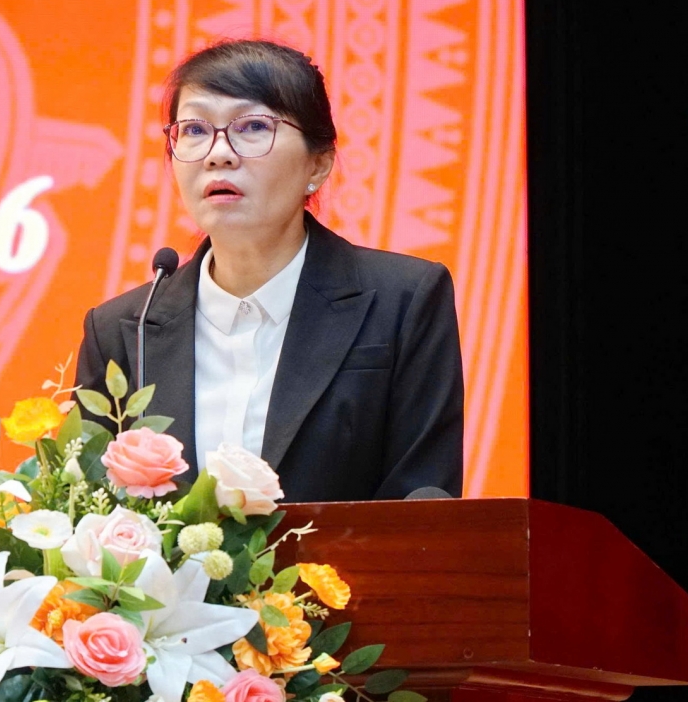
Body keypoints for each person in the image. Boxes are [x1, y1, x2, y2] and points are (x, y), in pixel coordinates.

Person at [75, 40, 463, 502]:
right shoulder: (125, 329)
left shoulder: (404, 301)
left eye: (253, 126)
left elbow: (423, 502)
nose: (218, 154)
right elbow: (89, 507)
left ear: (318, 163)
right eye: (194, 129)